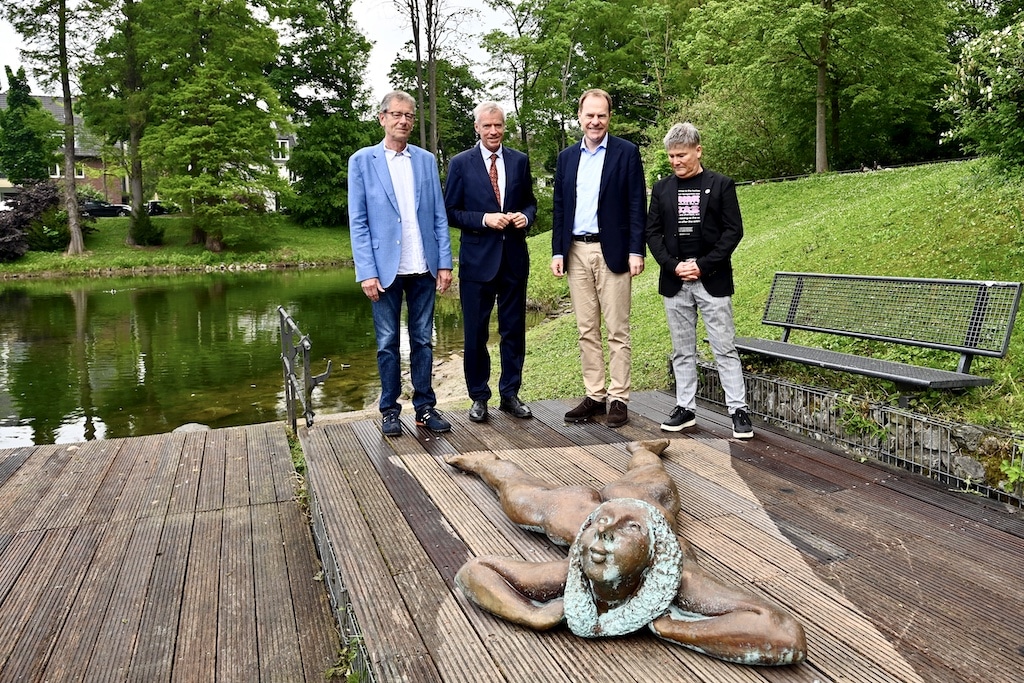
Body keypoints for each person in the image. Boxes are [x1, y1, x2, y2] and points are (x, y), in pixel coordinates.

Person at [446, 439, 807, 666]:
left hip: (641, 504)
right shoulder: (576, 571)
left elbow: (784, 634)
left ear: (653, 553)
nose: (603, 531)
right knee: (524, 500)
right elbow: (475, 571)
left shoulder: (679, 579)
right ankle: (489, 464)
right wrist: (531, 614)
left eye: (626, 530)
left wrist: (675, 627)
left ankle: (643, 449)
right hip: (579, 514)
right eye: (600, 525)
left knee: (650, 480)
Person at [348, 90, 454, 438]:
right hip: (384, 269)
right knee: (387, 341)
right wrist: (366, 271)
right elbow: (358, 221)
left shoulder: (424, 160)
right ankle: (390, 411)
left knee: (423, 340)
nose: (403, 121)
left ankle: (425, 408)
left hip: (422, 266)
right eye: (396, 114)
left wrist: (444, 263)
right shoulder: (362, 161)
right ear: (382, 118)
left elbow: (438, 215)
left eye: (409, 115)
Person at [645, 122, 754, 439]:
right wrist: (673, 265)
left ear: (697, 150)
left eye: (681, 155)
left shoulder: (721, 185)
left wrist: (702, 266)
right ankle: (685, 408)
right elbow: (652, 233)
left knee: (724, 348)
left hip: (712, 280)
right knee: (682, 351)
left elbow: (733, 231)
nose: (676, 161)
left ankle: (738, 410)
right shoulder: (662, 188)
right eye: (671, 157)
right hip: (675, 281)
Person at [551, 89, 647, 429]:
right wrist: (557, 250)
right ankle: (595, 395)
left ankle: (618, 397)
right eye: (589, 115)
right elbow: (560, 207)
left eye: (601, 116)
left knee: (617, 329)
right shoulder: (566, 158)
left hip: (615, 251)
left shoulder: (626, 153)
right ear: (579, 116)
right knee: (585, 329)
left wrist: (637, 250)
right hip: (575, 251)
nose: (595, 122)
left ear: (609, 117)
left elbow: (637, 204)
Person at [445, 102, 538, 423]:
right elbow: (451, 212)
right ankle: (479, 396)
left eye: (498, 125)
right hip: (476, 263)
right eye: (487, 126)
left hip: (513, 259)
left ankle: (510, 394)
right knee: (475, 334)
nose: (494, 131)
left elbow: (530, 203)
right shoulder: (460, 164)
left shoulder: (520, 161)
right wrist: (485, 219)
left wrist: (524, 217)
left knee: (514, 330)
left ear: (504, 126)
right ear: (477, 128)